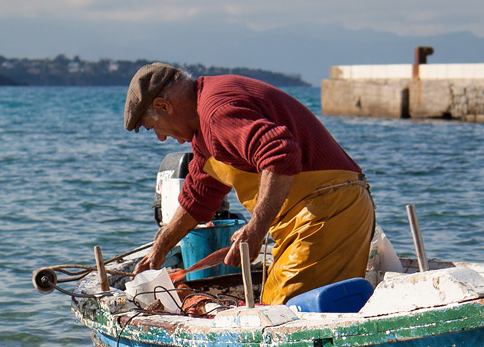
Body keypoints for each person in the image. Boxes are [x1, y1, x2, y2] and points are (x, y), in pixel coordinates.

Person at [124, 62, 375, 305]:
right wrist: (161, 246)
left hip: (329, 210)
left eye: (153, 127)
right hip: (315, 215)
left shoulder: (216, 112)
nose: (160, 137)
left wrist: (255, 231)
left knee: (283, 313)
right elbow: (199, 196)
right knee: (277, 304)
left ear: (163, 105)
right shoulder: (203, 127)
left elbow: (280, 155)